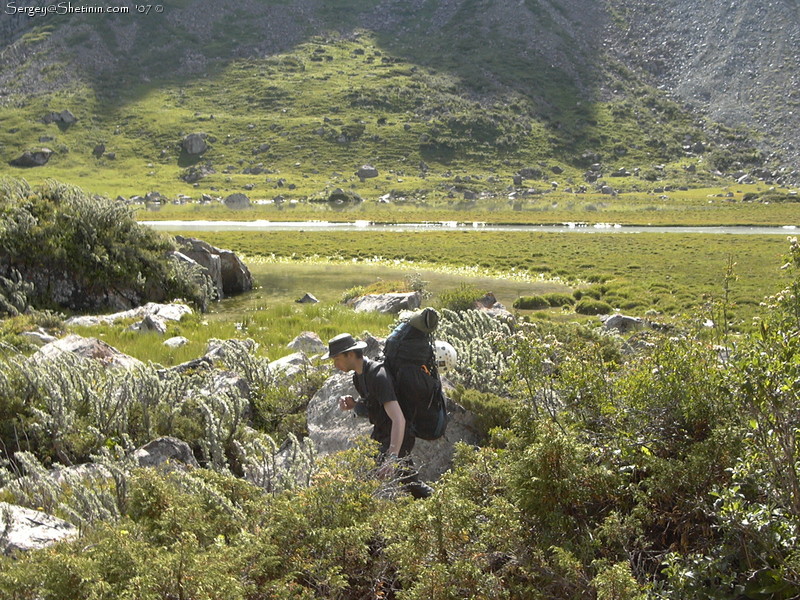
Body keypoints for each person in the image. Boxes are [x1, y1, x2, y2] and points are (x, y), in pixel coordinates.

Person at [324, 332, 433, 499]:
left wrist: (392, 456)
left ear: (350, 354)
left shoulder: (378, 375)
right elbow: (376, 409)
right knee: (408, 483)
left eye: (337, 359)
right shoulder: (359, 377)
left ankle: (436, 503)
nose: (335, 364)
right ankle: (434, 503)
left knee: (378, 479)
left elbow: (398, 418)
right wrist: (355, 405)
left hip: (398, 434)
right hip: (382, 433)